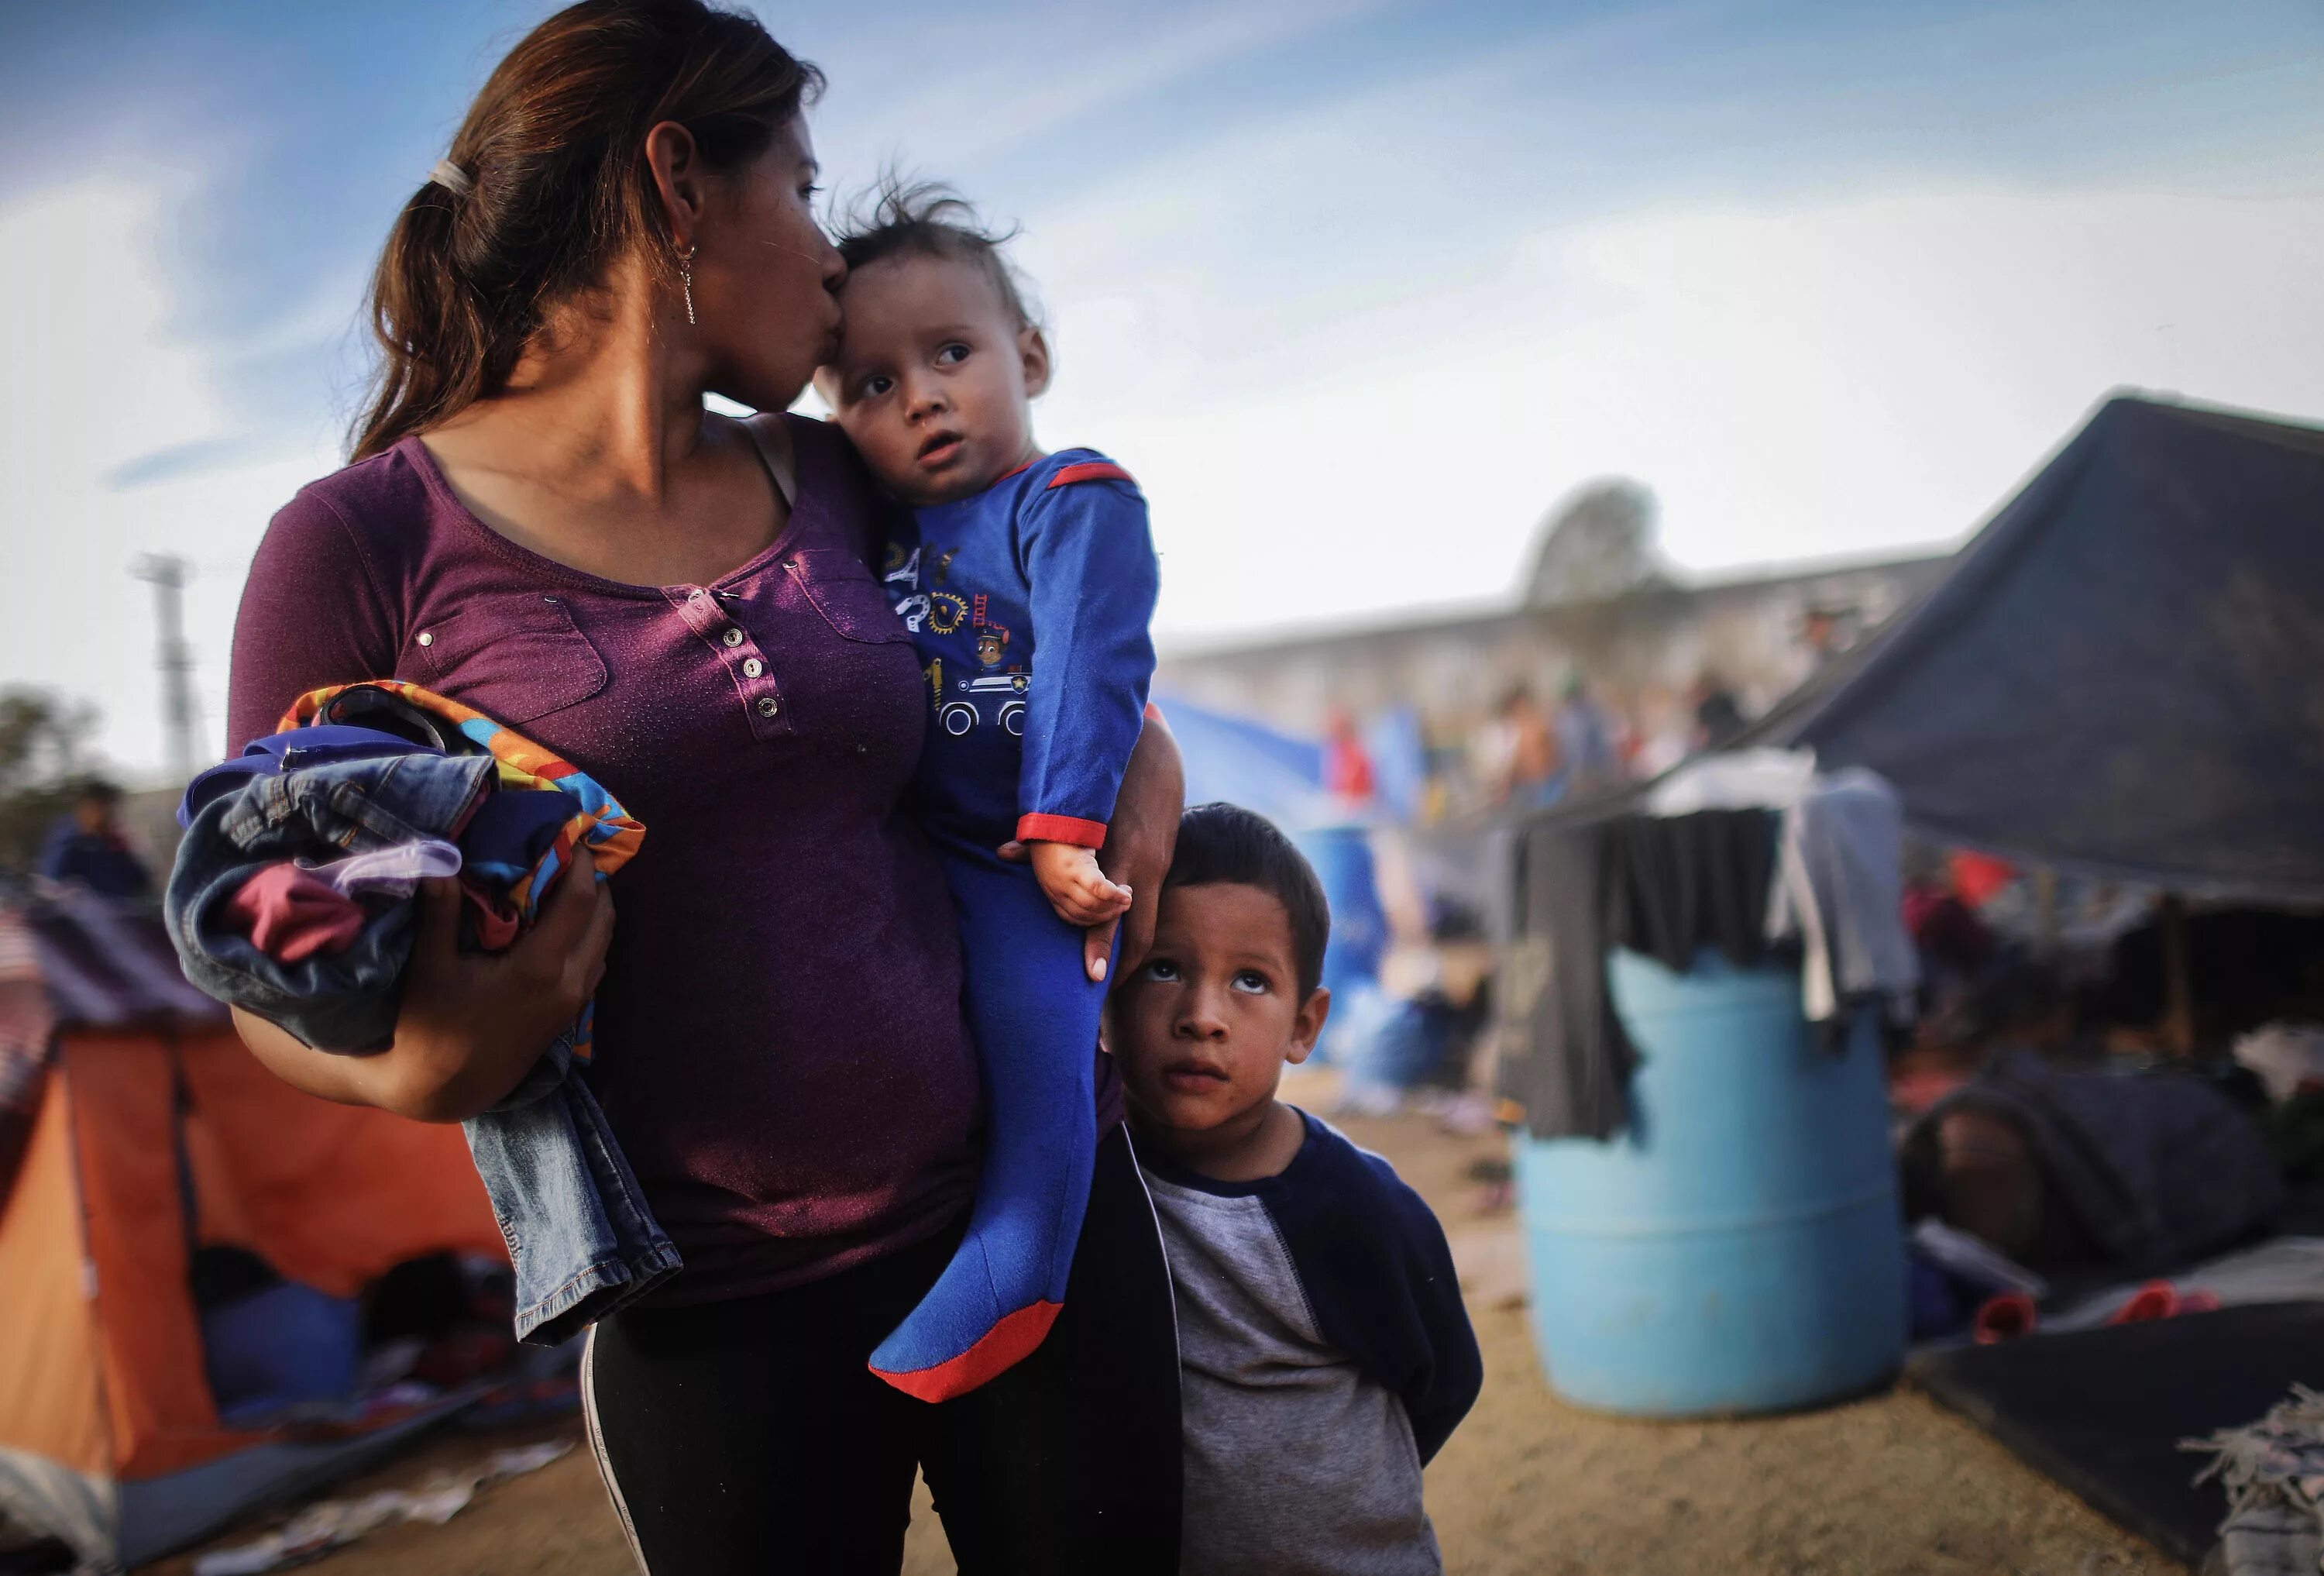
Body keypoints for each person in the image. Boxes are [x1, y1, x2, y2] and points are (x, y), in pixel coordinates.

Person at [220, 4, 1184, 1571]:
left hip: (1034, 1207)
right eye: (798, 188)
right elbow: (251, 962)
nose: (826, 253)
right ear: (680, 180)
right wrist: (416, 1068)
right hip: (708, 1310)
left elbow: (1033, 626)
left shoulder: (834, 472)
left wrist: (1147, 749)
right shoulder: (363, 548)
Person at [813, 183, 1160, 1397]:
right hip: (919, 851)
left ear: (1032, 355)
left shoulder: (1069, 500)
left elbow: (1090, 662)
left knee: (1040, 1054)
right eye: (870, 383)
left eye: (950, 353)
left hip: (1026, 863)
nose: (920, 396)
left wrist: (1063, 833)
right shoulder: (880, 533)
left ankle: (1024, 1266)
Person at [1111, 803, 1483, 1576]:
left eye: (1250, 981)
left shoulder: (1350, 1204)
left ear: (1304, 1027)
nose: (1202, 1017)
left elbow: (1442, 1377)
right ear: (1108, 994)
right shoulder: (1093, 1169)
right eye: (1164, 968)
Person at [36, 779, 153, 899]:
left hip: (122, 907)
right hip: (80, 910)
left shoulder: (111, 840)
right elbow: (55, 877)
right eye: (104, 807)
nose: (109, 814)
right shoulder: (67, 836)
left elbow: (139, 880)